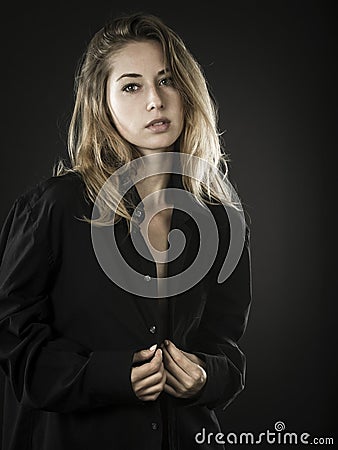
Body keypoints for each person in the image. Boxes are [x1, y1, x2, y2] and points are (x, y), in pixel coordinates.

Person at [0, 12, 252, 450]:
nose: (155, 100)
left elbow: (226, 346)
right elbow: (12, 343)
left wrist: (205, 377)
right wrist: (106, 375)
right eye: (132, 86)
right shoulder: (55, 208)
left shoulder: (220, 218)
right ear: (103, 103)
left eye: (168, 80)